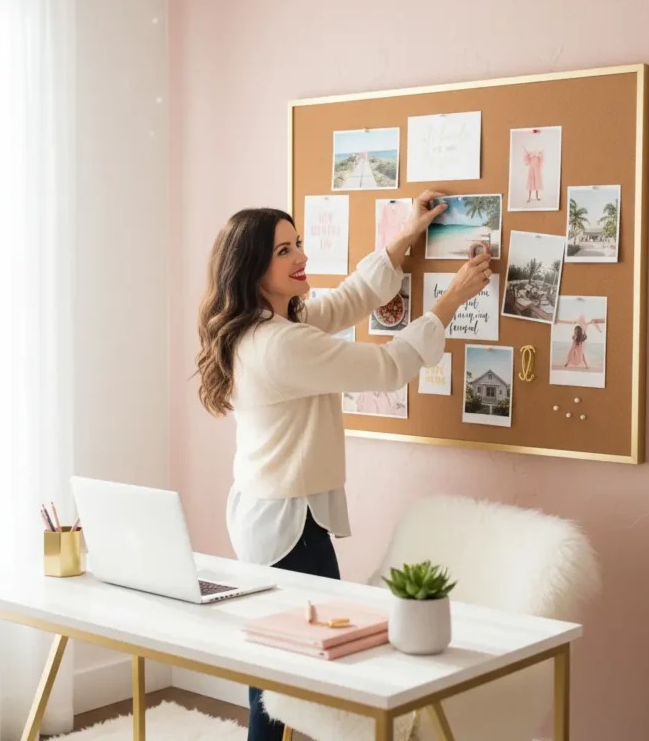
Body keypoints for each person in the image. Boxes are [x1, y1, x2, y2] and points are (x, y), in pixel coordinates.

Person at [196, 190, 491, 741]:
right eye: (284, 250)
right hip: (290, 525)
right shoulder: (278, 344)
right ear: (254, 267)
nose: (300, 256)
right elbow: (385, 367)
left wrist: (405, 237)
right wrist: (450, 300)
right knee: (297, 673)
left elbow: (350, 299)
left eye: (299, 242)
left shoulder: (263, 325)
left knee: (277, 669)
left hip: (268, 511)